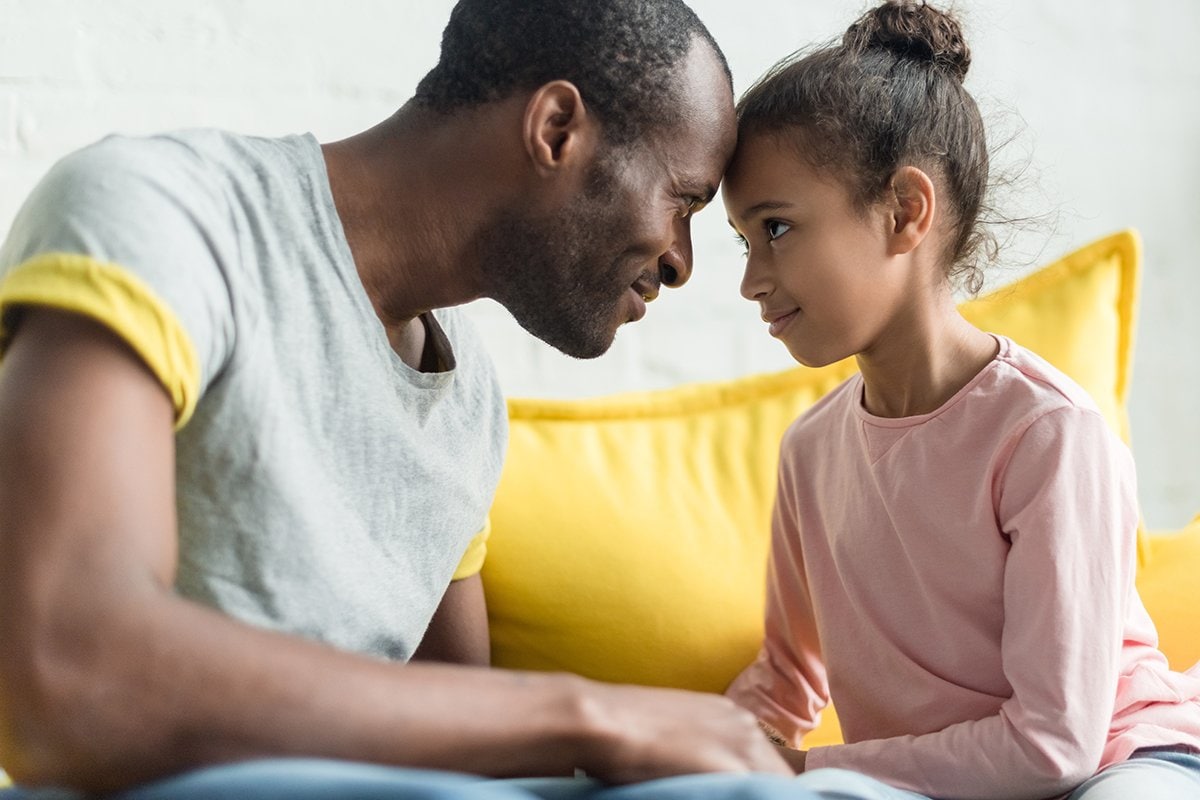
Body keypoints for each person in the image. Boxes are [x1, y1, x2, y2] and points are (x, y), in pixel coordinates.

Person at [0, 2, 806, 798]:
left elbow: (470, 752)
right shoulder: (170, 218)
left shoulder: (468, 403)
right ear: (556, 129)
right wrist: (592, 712)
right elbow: (62, 670)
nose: (682, 263)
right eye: (684, 202)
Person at [722, 2, 1200, 799]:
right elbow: (784, 678)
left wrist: (807, 768)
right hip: (944, 783)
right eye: (743, 240)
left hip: (1120, 763)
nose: (750, 281)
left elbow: (1054, 749)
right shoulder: (810, 453)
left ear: (905, 211)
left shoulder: (1050, 435)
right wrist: (693, 755)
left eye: (775, 228)